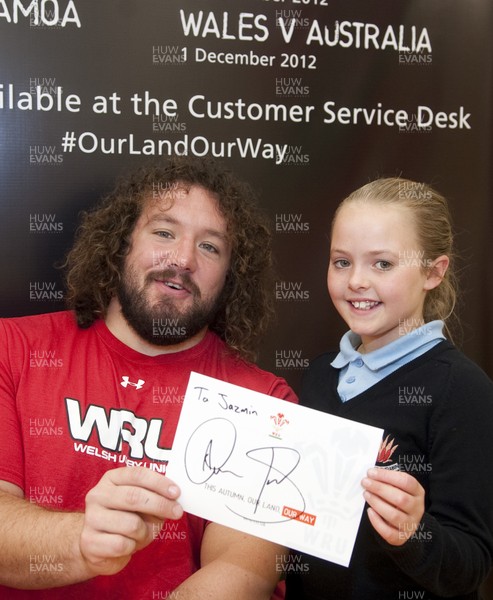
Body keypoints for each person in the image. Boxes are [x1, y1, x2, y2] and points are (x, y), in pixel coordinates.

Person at [0, 156, 297, 599]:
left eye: (210, 247)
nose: (183, 259)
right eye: (164, 232)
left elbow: (242, 570)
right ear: (121, 243)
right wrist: (84, 542)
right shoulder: (13, 349)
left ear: (230, 277)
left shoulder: (264, 400)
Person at [285, 178, 493, 599]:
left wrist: (413, 533)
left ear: (433, 272)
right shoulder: (321, 373)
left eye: (382, 264)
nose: (357, 280)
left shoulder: (463, 389)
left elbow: (470, 566)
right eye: (341, 262)